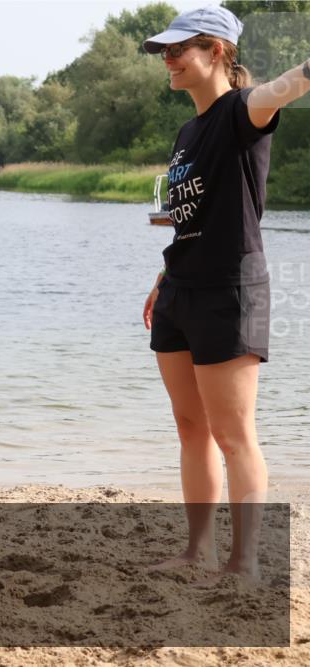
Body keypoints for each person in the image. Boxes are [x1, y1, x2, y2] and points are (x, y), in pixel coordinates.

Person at [140, 6, 310, 579]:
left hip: (230, 291)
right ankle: (198, 552)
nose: (167, 60)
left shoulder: (244, 110)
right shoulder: (187, 133)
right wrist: (163, 278)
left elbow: (291, 84)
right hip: (180, 290)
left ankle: (245, 563)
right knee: (190, 429)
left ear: (216, 50)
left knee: (233, 435)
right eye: (164, 52)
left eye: (176, 50)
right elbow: (188, 221)